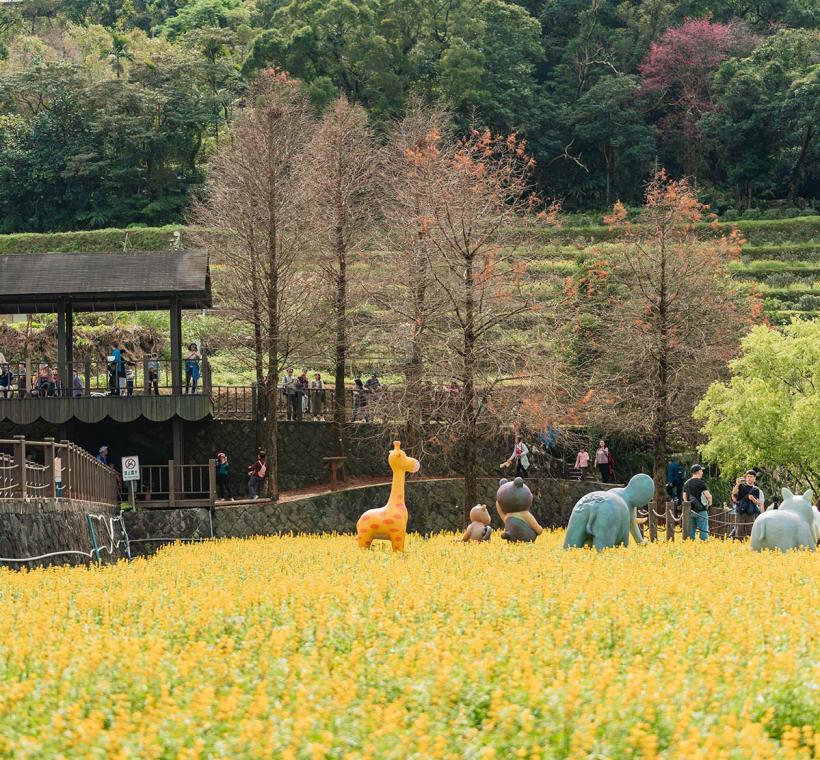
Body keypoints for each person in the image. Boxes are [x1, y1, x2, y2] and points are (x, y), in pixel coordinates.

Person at [683, 464, 712, 540]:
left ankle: (691, 546)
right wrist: (709, 505)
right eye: (701, 470)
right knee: (703, 532)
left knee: (691, 533)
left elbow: (684, 497)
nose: (702, 472)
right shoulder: (701, 483)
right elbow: (709, 496)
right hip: (701, 510)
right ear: (699, 472)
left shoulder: (686, 483)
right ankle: (704, 546)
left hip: (690, 510)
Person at [731, 469, 762, 540]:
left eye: (751, 476)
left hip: (750, 513)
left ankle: (749, 546)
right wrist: (737, 484)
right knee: (739, 530)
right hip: (740, 512)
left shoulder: (756, 489)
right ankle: (739, 545)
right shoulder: (741, 486)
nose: (749, 478)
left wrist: (753, 499)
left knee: (750, 531)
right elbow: (734, 493)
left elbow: (758, 503)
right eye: (748, 476)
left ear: (754, 478)